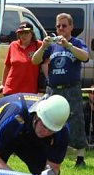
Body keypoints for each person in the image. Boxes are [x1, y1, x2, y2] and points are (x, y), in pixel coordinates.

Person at [32, 12, 89, 167]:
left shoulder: (77, 42)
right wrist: (43, 46)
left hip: (71, 88)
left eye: (64, 25)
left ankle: (80, 157)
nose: (61, 28)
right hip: (53, 88)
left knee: (76, 119)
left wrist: (69, 46)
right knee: (46, 118)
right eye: (58, 26)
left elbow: (85, 57)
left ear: (71, 27)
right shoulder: (51, 46)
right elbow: (35, 60)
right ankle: (47, 152)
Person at [0, 22, 40, 96]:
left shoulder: (38, 45)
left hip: (29, 91)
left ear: (32, 33)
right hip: (11, 89)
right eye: (21, 33)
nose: (23, 35)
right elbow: (7, 66)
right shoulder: (13, 45)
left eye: (26, 33)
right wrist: (3, 84)